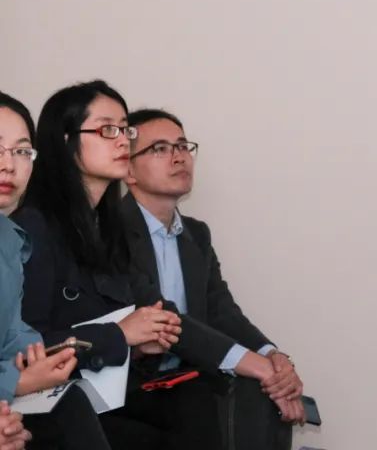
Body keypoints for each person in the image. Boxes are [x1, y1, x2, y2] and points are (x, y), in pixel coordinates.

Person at [12, 81, 200, 449]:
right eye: (106, 130)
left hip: (101, 396)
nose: (122, 142)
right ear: (66, 141)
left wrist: (141, 344)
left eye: (125, 130)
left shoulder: (109, 229)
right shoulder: (34, 227)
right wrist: (119, 335)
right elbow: (24, 346)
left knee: (199, 407)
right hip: (47, 402)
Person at [121, 108, 304, 450]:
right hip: (133, 381)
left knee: (260, 392)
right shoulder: (111, 231)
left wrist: (273, 357)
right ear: (128, 169)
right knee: (220, 398)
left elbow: (222, 311)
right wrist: (258, 367)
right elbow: (162, 316)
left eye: (182, 146)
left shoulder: (197, 234)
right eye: (160, 149)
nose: (178, 157)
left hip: (188, 375)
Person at [1, 90, 112, 450]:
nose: (9, 164)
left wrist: (39, 362)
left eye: (21, 151)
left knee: (67, 401)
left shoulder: (10, 239)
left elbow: (15, 336)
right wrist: (16, 382)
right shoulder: (34, 225)